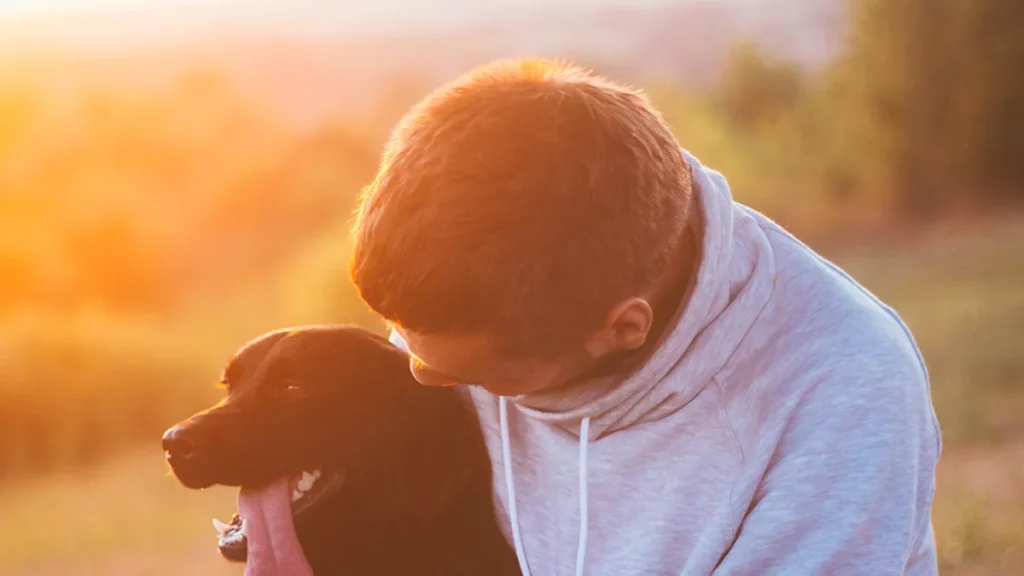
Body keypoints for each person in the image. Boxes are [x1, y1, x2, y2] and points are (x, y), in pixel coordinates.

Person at [348, 59, 941, 575]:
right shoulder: (494, 294)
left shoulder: (839, 388)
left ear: (621, 329)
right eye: (400, 334)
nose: (418, 373)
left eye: (481, 378)